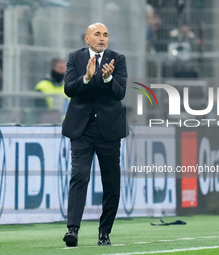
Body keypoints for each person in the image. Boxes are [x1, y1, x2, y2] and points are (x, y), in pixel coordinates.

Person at [61, 23, 128, 246]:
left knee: (111, 182)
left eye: (106, 35)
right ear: (86, 39)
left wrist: (108, 79)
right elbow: (69, 89)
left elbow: (120, 93)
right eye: (97, 34)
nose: (102, 38)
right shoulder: (75, 58)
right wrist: (87, 78)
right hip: (82, 129)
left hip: (109, 129)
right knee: (79, 175)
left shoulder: (118, 59)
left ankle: (104, 232)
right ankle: (72, 230)